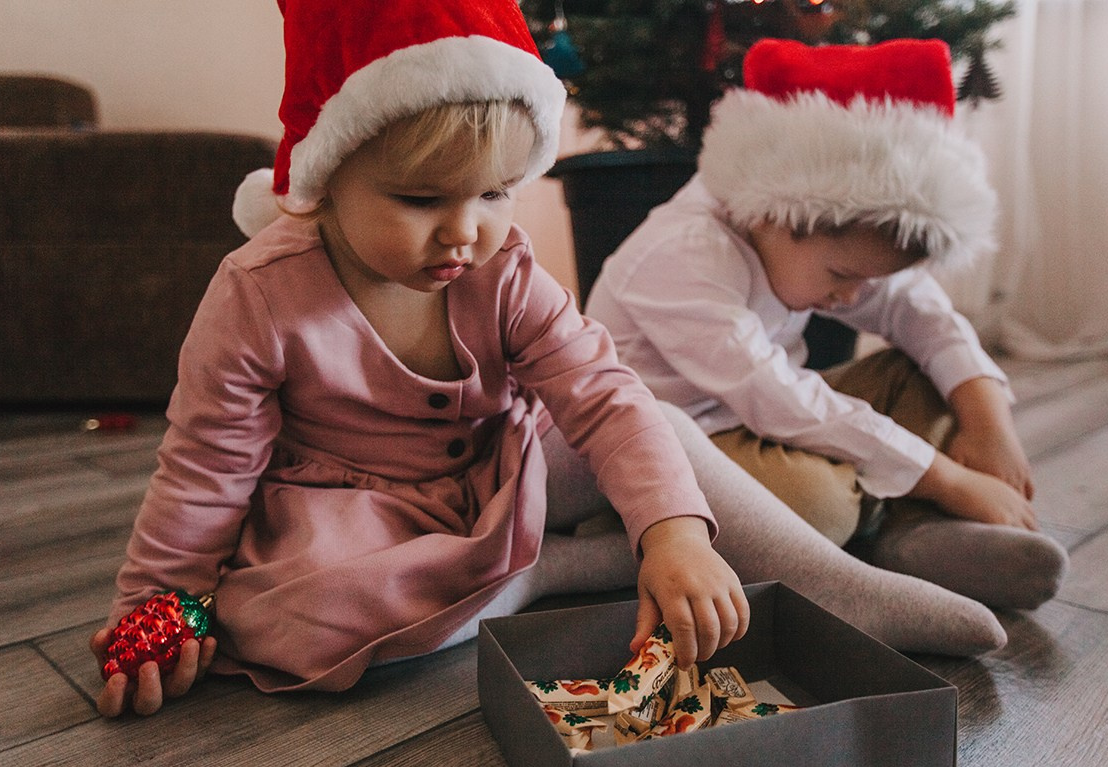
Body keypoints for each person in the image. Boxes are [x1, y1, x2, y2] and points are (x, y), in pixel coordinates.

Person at [90, 0, 750, 717]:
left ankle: (804, 582)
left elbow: (601, 394)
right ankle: (542, 570)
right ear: (327, 176)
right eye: (420, 198)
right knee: (301, 617)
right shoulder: (259, 293)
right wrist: (158, 601)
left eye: (496, 192)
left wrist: (674, 534)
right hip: (355, 508)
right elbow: (206, 466)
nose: (464, 232)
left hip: (508, 470)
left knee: (662, 436)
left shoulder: (506, 272)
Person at [586, 39, 1068, 614]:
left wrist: (989, 423)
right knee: (820, 505)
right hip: (672, 448)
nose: (853, 297)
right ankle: (630, 533)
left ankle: (913, 535)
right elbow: (777, 398)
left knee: (925, 376)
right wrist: (947, 479)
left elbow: (920, 312)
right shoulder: (682, 252)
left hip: (757, 425)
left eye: (868, 280)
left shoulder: (814, 236)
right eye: (843, 275)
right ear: (778, 214)